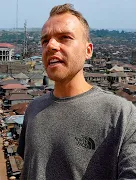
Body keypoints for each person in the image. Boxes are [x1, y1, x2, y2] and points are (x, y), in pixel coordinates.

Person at [17, 3, 136, 180]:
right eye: (45, 40)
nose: (51, 46)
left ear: (88, 51)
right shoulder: (34, 110)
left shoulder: (121, 115)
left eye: (64, 37)